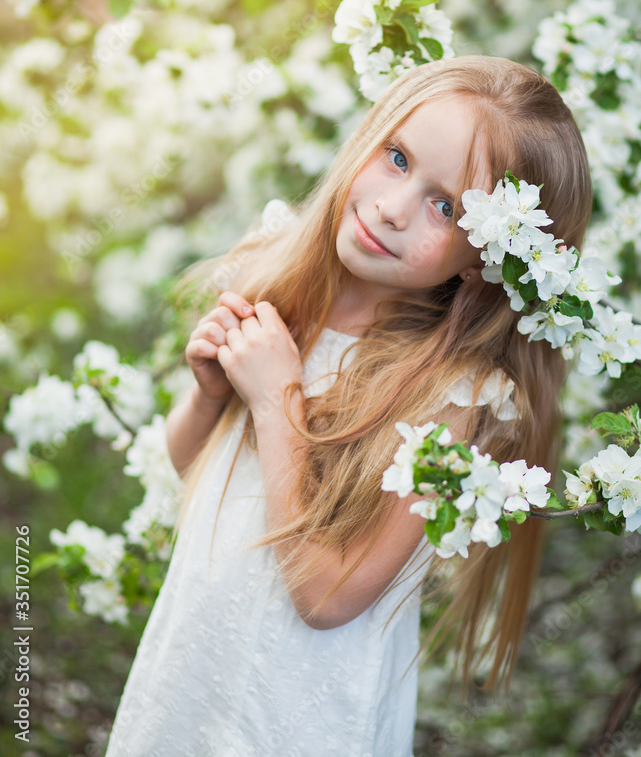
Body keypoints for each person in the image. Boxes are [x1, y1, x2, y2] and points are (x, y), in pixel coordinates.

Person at [104, 55, 592, 757]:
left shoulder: (458, 399)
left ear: (484, 259)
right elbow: (200, 478)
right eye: (395, 158)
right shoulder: (278, 281)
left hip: (297, 718)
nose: (393, 208)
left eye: (445, 206)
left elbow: (328, 598)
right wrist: (212, 399)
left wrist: (278, 403)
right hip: (191, 676)